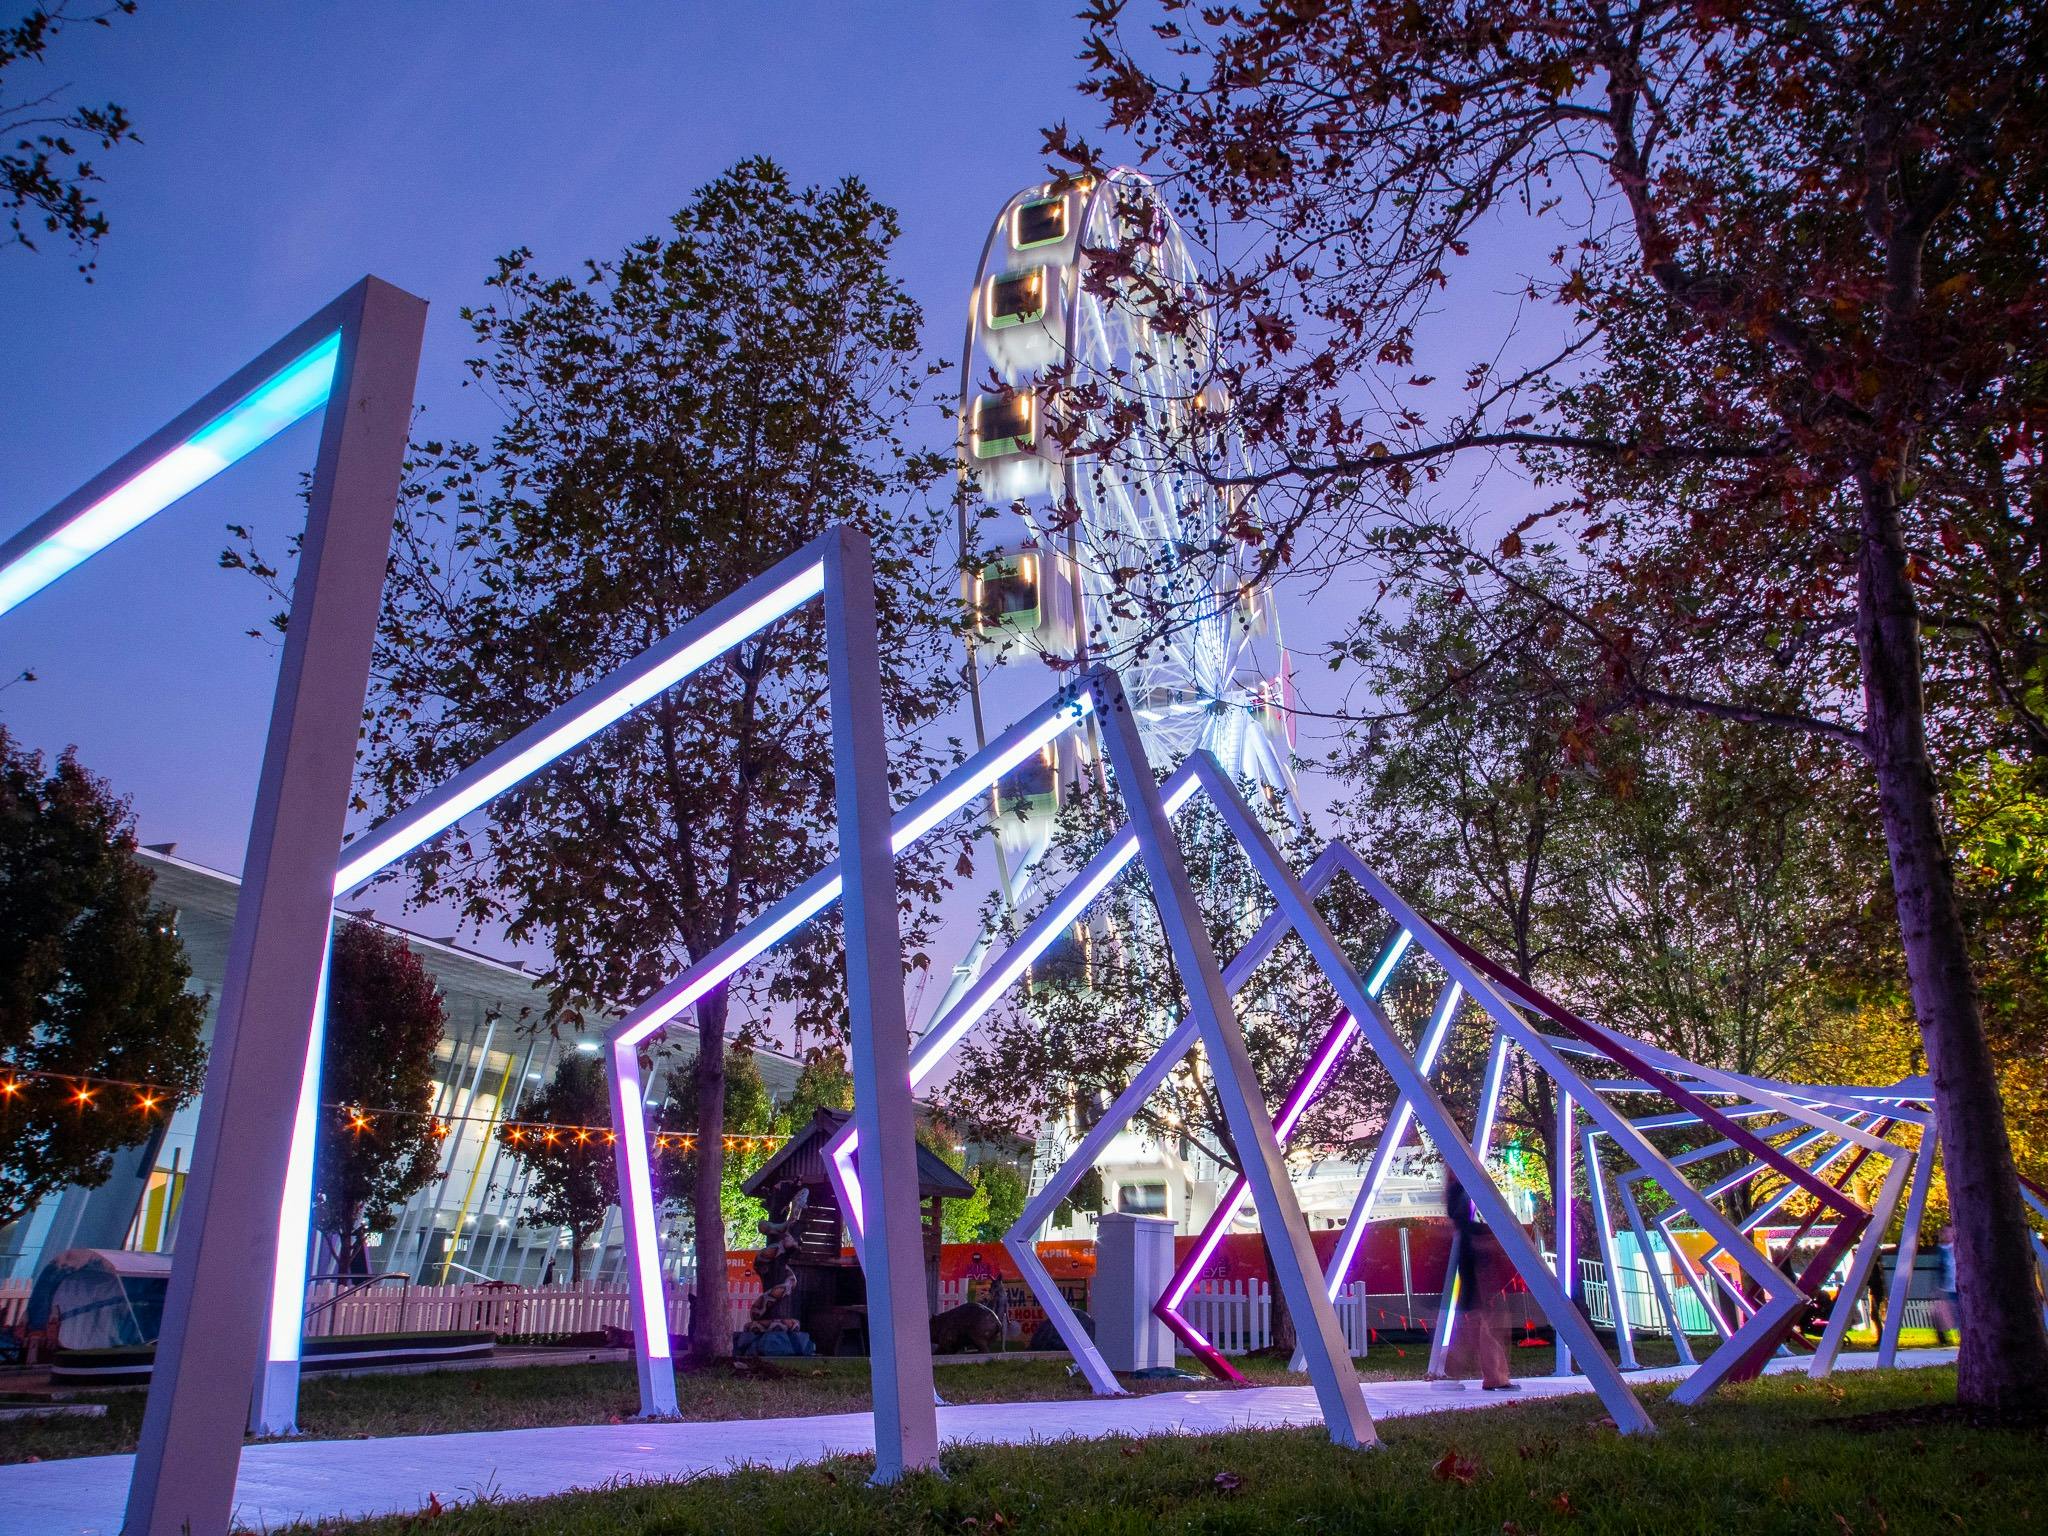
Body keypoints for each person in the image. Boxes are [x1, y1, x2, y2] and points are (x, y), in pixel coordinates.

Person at [1437, 1171, 1516, 1391]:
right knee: (1481, 1325)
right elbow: (1462, 1222)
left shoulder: (1462, 1200)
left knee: (1483, 1326)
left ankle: (1493, 1375)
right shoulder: (1462, 1202)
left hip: (1477, 1265)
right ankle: (1463, 1373)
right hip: (1475, 1266)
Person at [1930, 1226, 1959, 1347]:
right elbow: (1939, 1270)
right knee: (1951, 1314)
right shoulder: (1941, 1250)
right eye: (1945, 1232)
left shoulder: (1959, 1249)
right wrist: (1937, 1289)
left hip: (1960, 1288)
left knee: (1961, 1315)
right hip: (1948, 1288)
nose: (1948, 1234)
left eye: (1950, 1232)